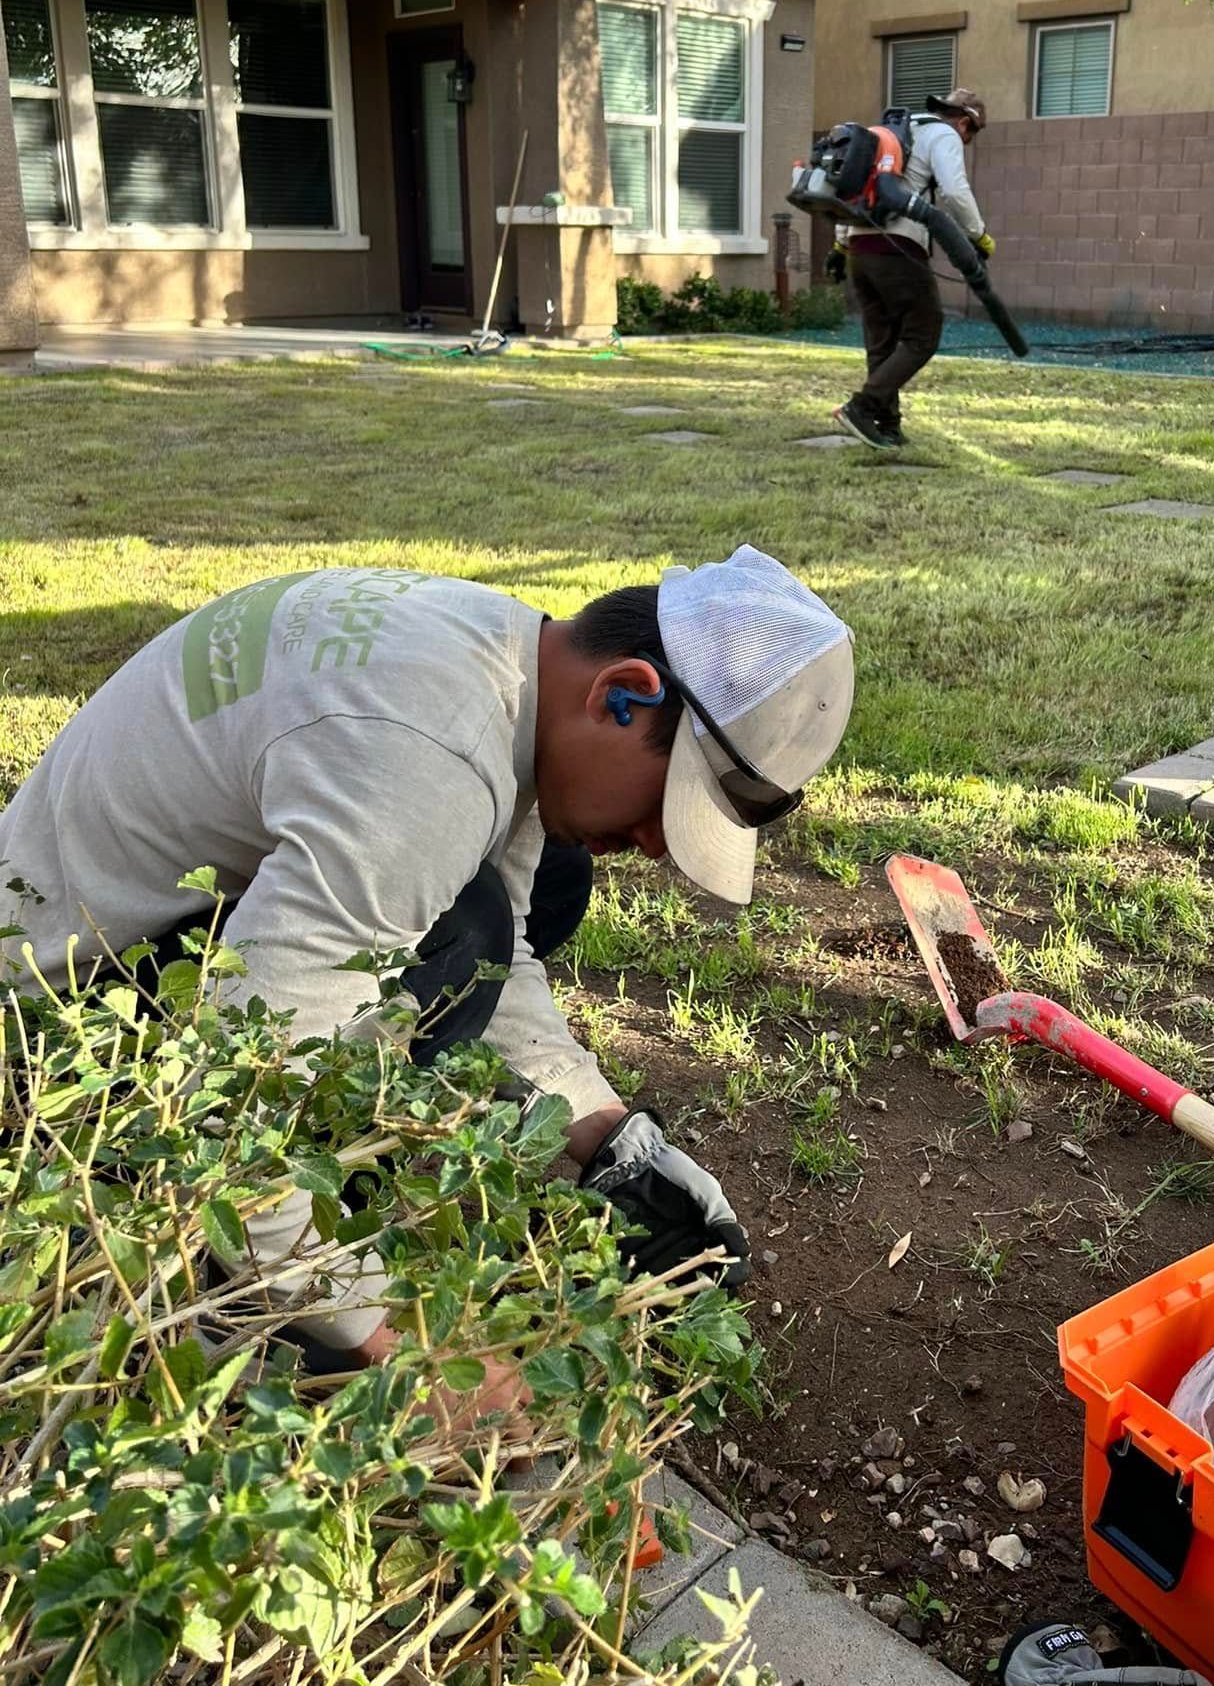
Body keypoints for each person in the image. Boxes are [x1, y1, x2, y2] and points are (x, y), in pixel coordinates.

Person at [0, 545, 855, 1411]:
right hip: (56, 1024)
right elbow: (240, 1080)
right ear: (624, 692)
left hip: (143, 928)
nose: (654, 843)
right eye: (663, 804)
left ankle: (342, 1131)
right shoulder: (424, 755)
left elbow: (508, 949)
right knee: (459, 933)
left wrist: (603, 1131)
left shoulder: (505, 659)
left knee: (538, 886)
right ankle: (184, 1224)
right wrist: (393, 1340)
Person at [834, 86, 994, 451]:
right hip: (898, 247)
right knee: (924, 334)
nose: (967, 141)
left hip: (860, 247)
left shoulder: (891, 132)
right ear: (963, 120)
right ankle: (862, 408)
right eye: (972, 132)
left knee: (881, 341)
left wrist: (841, 242)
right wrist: (979, 235)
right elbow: (954, 191)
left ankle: (887, 426)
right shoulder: (943, 133)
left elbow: (853, 185)